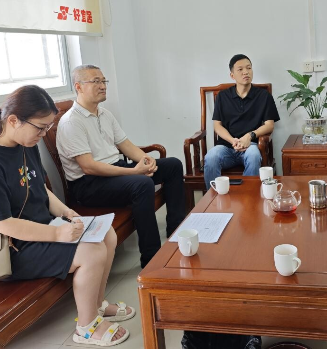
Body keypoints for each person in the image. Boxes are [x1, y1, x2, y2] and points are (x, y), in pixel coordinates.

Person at [0, 85, 134, 346]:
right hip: (9, 249)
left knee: (106, 233)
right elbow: (0, 223)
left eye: (48, 128)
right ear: (13, 120)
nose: (43, 135)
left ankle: (96, 305)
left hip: (40, 232)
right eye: (40, 128)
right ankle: (86, 327)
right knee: (91, 252)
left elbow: (39, 187)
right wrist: (57, 233)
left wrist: (66, 212)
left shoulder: (25, 142)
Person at [56, 65, 186, 268]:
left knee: (173, 165)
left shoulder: (104, 114)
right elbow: (89, 167)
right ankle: (151, 259)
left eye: (103, 81)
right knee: (142, 184)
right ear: (78, 86)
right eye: (96, 81)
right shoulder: (71, 122)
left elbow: (125, 145)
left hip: (115, 171)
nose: (103, 86)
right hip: (89, 185)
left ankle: (176, 232)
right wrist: (134, 171)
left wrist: (146, 160)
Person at [203, 54, 280, 189]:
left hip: (251, 146)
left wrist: (249, 136)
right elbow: (217, 126)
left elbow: (269, 125)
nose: (246, 72)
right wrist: (232, 140)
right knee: (211, 157)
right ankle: (214, 198)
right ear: (232, 75)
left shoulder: (263, 96)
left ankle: (248, 197)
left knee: (254, 156)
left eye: (249, 68)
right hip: (226, 147)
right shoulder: (223, 96)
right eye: (240, 69)